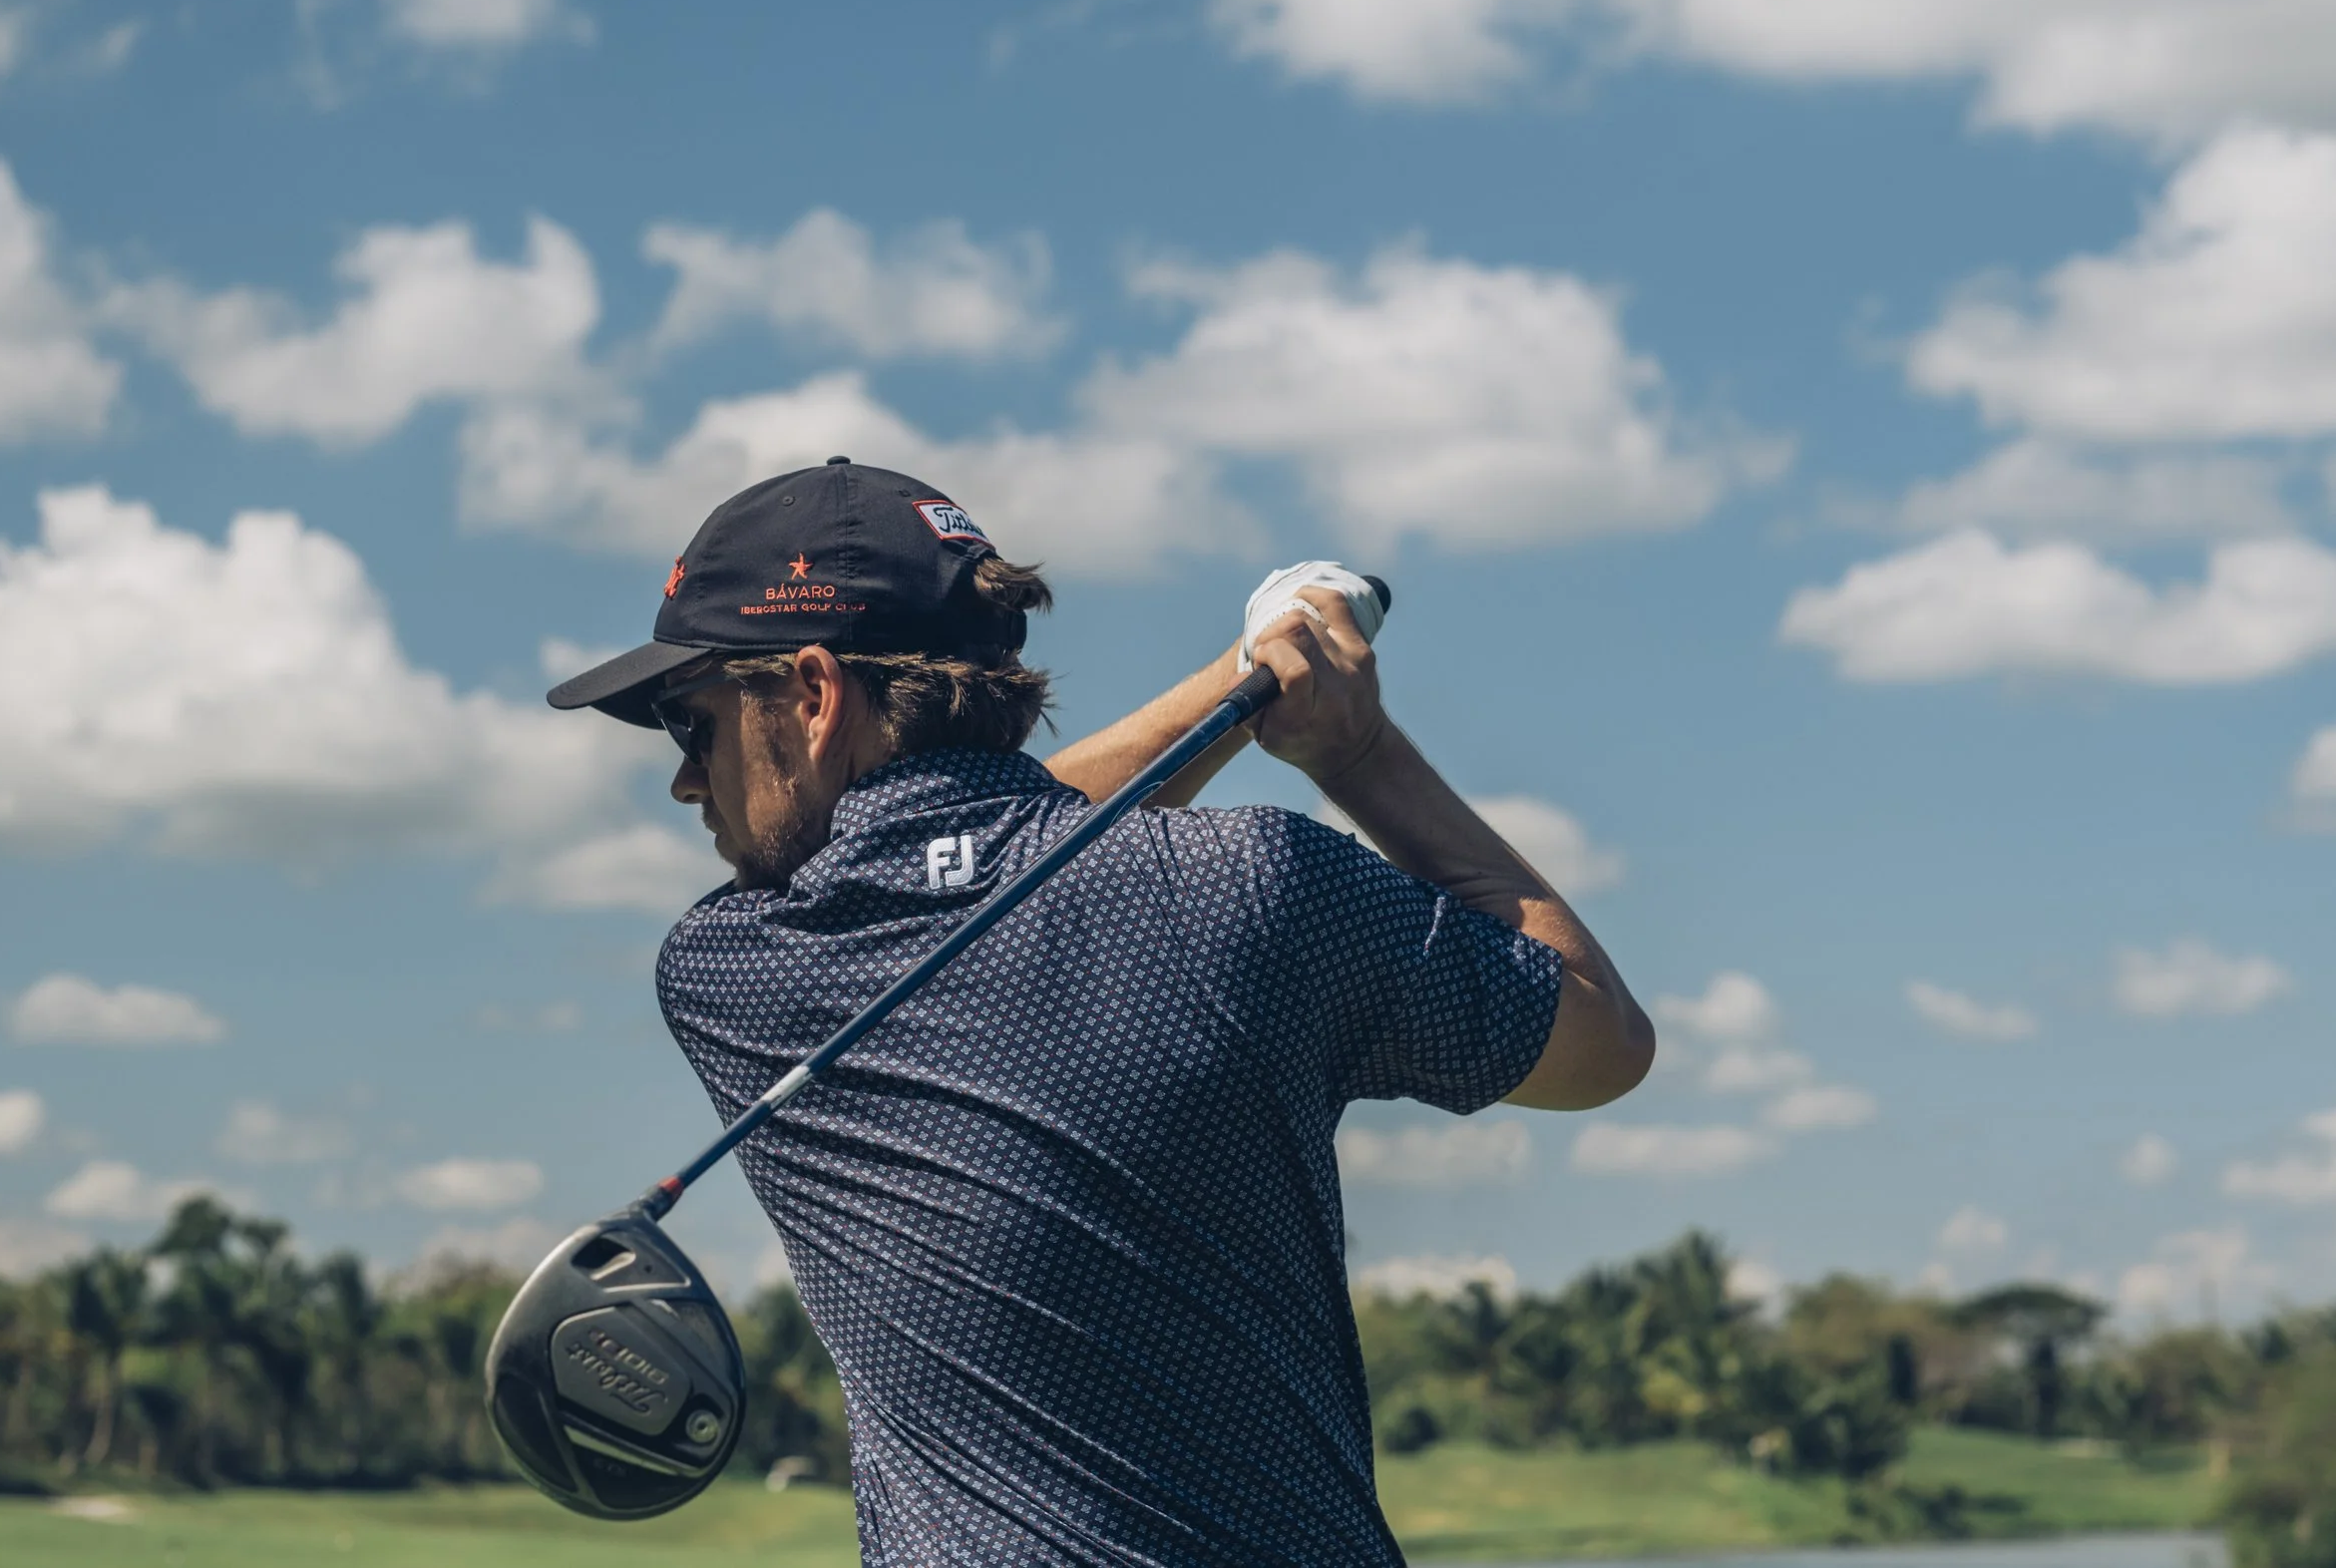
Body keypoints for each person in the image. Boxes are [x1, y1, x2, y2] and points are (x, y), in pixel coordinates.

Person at [548, 455, 1654, 1565]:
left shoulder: (735, 967)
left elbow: (989, 861)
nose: (688, 782)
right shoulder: (1254, 887)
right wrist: (1345, 744)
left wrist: (1233, 685)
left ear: (816, 695)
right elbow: (1599, 1041)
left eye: (692, 724)